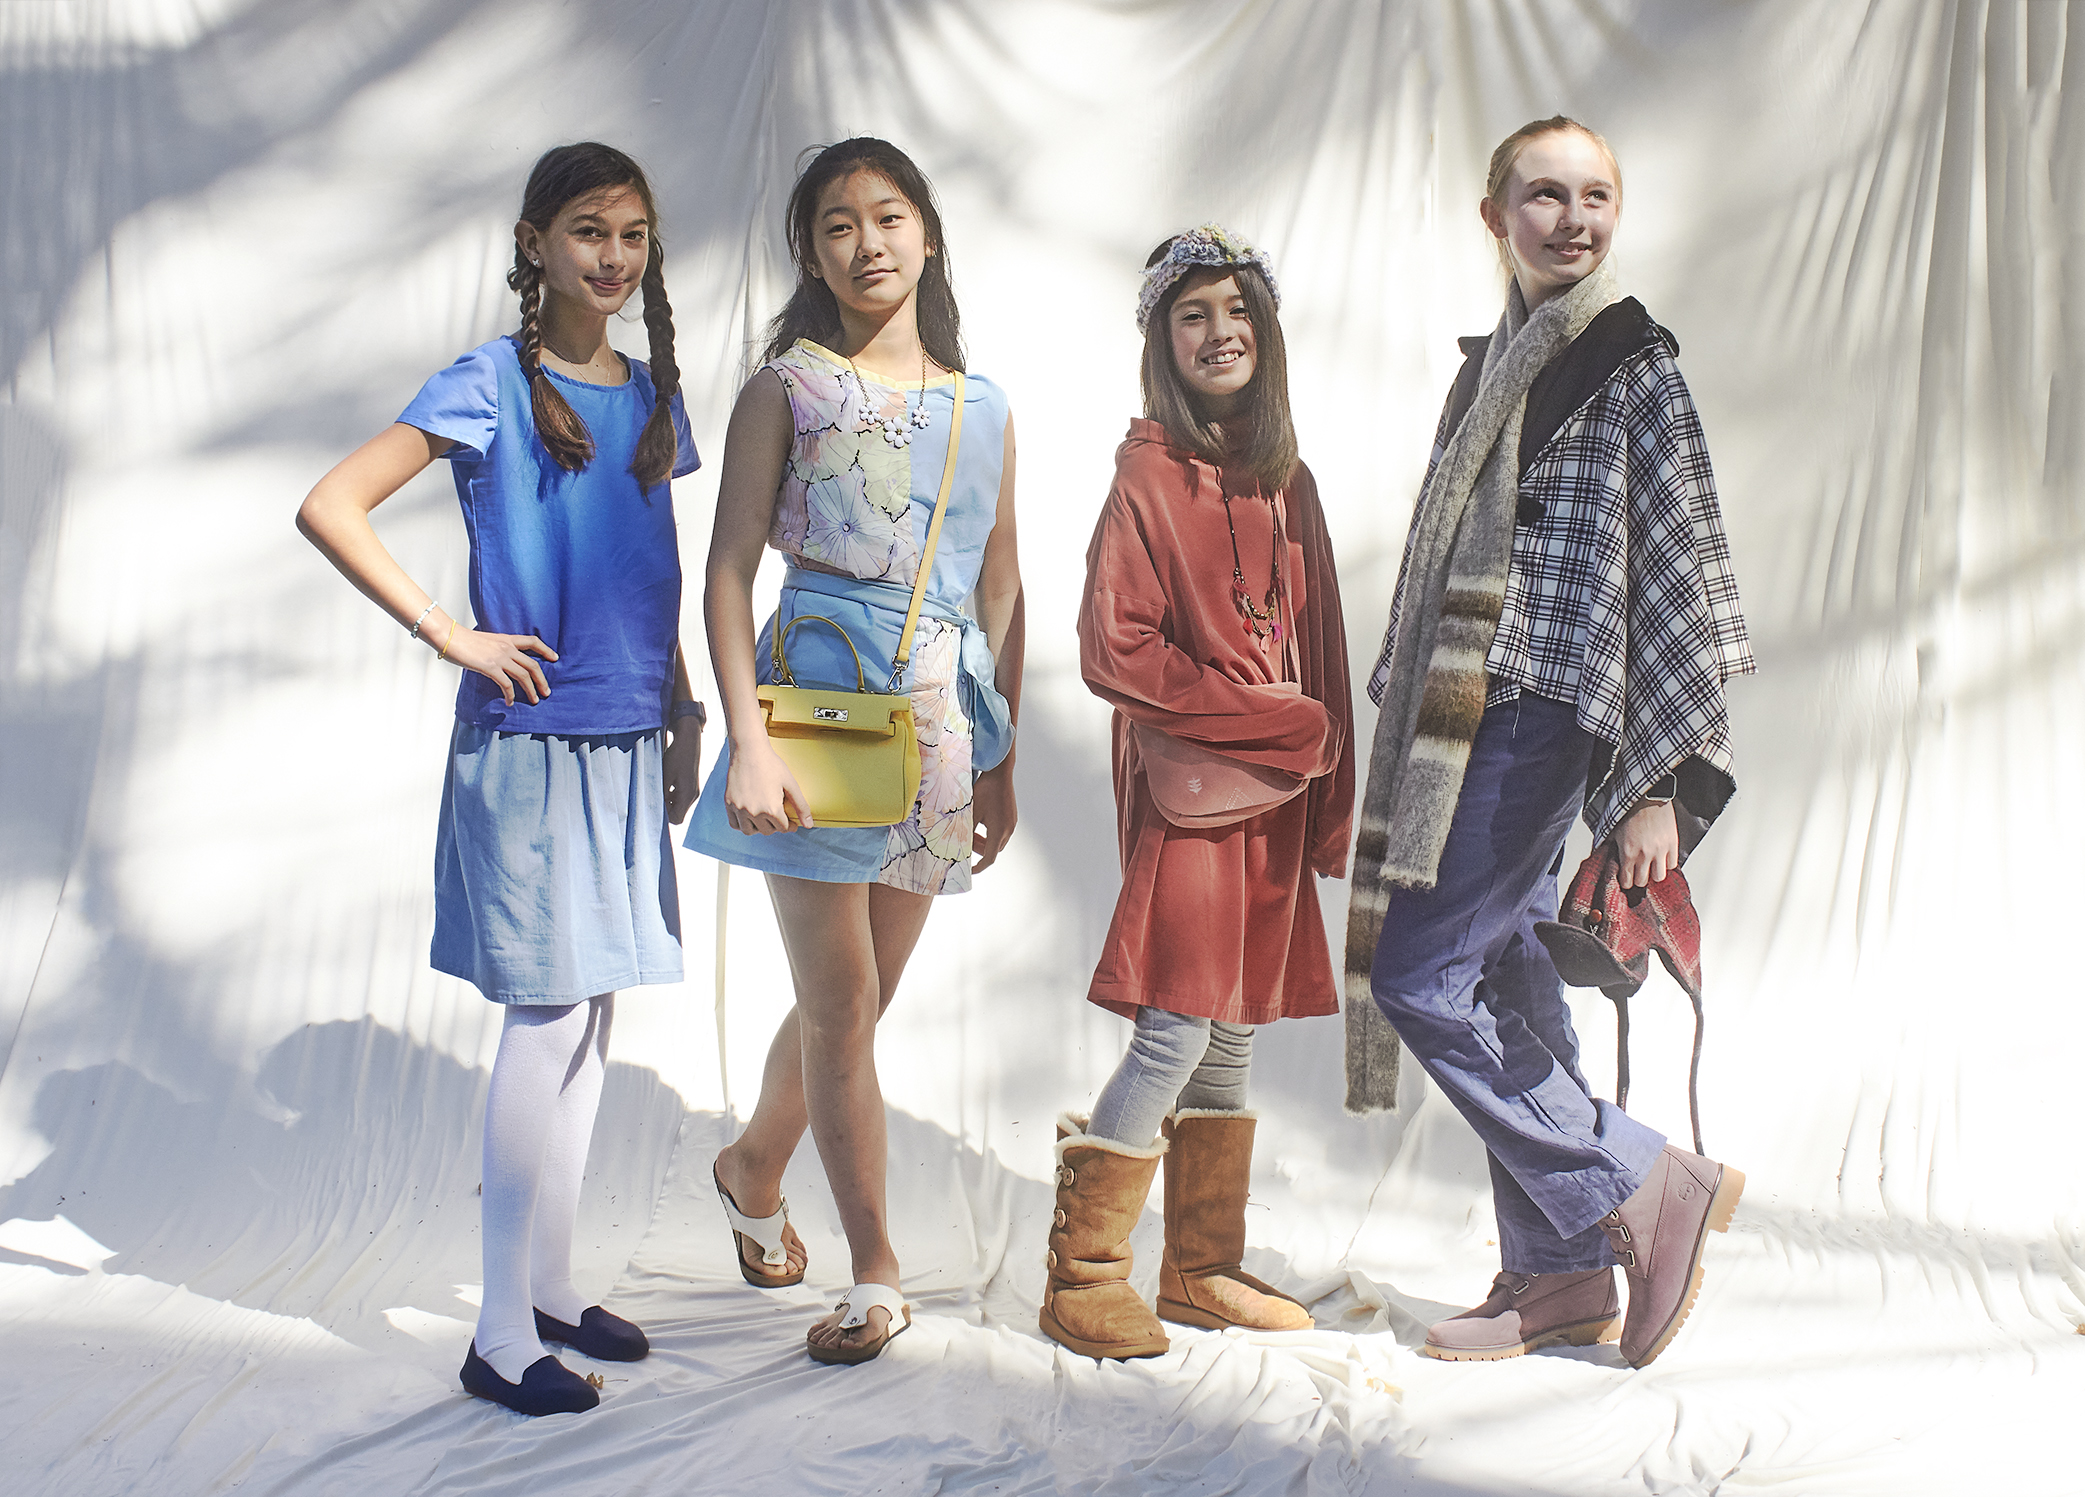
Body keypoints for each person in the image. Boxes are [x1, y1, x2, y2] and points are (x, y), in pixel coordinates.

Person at [295, 142, 702, 1416]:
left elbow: (653, 570)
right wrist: (448, 630)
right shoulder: (487, 381)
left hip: (627, 734)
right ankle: (498, 1334)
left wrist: (681, 705)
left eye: (632, 232)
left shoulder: (650, 392)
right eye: (588, 229)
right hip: (529, 743)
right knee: (543, 1012)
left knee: (591, 1011)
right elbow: (331, 503)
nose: (612, 255)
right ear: (533, 242)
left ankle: (552, 1285)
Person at [1346, 117, 1756, 1369]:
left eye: (1592, 196)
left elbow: (1678, 570)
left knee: (1417, 977)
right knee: (1507, 976)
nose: (1569, 218)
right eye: (1541, 195)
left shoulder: (1632, 362)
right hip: (1457, 716)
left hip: (1538, 713)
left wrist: (1653, 785)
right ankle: (1560, 1277)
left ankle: (1645, 1181)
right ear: (1495, 216)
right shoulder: (1489, 373)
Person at [683, 138, 1023, 1366]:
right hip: (815, 702)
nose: (867, 241)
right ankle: (874, 1272)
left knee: (862, 1003)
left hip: (934, 722)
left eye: (888, 216)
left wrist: (1000, 756)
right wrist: (744, 743)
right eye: (838, 224)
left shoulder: (981, 405)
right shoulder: (786, 386)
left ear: (927, 233)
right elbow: (724, 570)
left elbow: (1001, 585)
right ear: (810, 251)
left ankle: (748, 1166)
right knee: (840, 1006)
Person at [1039, 226, 1354, 1362]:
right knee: (1173, 1025)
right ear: (1160, 343)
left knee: (1230, 1031)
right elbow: (1112, 650)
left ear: (1262, 334)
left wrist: (1327, 799)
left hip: (1273, 801)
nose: (1219, 333)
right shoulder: (1144, 475)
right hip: (1186, 799)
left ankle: (1200, 1266)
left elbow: (1319, 650)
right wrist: (1269, 721)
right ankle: (1080, 1276)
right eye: (1192, 315)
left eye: (1237, 312)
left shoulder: (1286, 479)